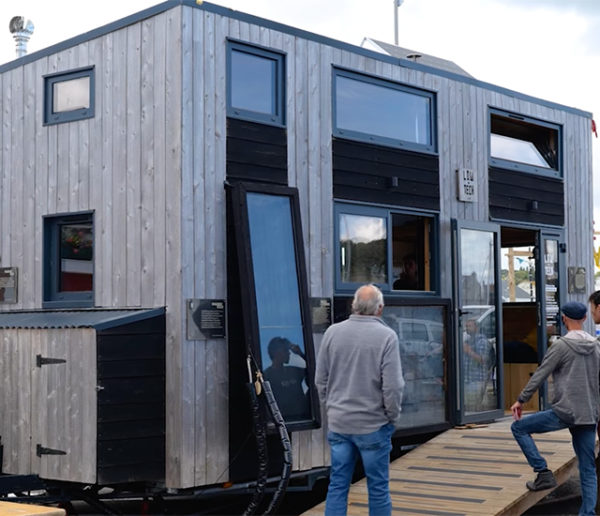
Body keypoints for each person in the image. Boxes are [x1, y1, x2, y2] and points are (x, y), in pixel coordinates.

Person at [315, 284, 404, 516]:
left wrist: (332, 408)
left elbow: (320, 380)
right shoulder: (387, 337)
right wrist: (392, 417)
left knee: (337, 486)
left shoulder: (332, 333)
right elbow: (393, 386)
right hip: (373, 425)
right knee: (378, 488)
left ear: (354, 306)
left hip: (339, 424)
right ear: (380, 309)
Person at [510, 301, 600, 516]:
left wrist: (521, 400)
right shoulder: (596, 346)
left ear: (563, 318)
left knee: (519, 428)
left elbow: (540, 374)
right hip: (588, 413)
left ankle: (542, 472)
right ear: (585, 319)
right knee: (588, 469)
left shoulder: (561, 346)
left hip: (565, 411)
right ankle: (587, 514)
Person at [263, 336, 309, 420]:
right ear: (276, 353)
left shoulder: (294, 371)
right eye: (285, 350)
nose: (289, 353)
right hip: (282, 422)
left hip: (301, 419)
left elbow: (315, 372)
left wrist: (301, 354)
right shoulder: (266, 376)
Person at [463, 318, 494, 411]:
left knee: (477, 405)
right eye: (466, 326)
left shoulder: (482, 341)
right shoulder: (468, 341)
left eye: (469, 326)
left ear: (476, 327)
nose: (467, 328)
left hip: (477, 379)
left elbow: (483, 359)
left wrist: (468, 351)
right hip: (468, 379)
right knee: (469, 406)